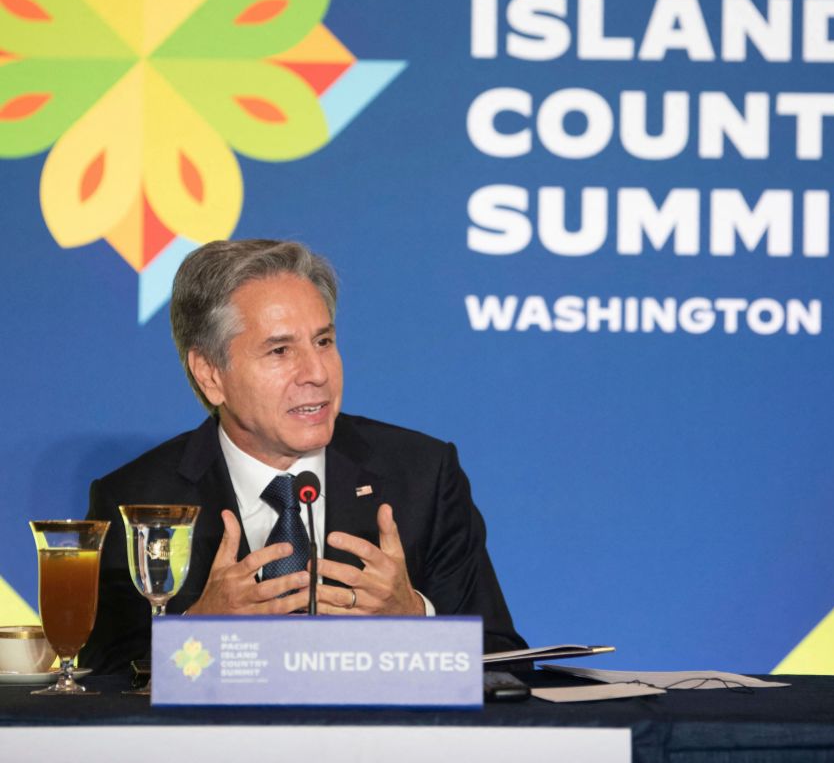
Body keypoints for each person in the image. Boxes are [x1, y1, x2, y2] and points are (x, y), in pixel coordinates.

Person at [81, 239, 525, 674]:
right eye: (280, 351)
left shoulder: (422, 475)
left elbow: (503, 659)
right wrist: (195, 630)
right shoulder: (135, 498)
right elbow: (102, 681)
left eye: (324, 342)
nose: (316, 373)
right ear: (211, 374)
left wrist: (414, 619)